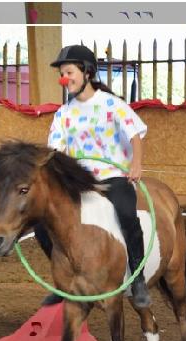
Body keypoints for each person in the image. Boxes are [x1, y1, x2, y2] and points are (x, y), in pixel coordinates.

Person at [37, 44, 152, 309]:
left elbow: (134, 134)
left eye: (69, 72)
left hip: (112, 175)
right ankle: (63, 283)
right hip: (80, 181)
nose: (64, 79)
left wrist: (136, 163)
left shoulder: (112, 105)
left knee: (126, 214)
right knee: (43, 223)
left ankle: (138, 279)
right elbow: (56, 150)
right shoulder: (64, 113)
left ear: (87, 72)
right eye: (63, 73)